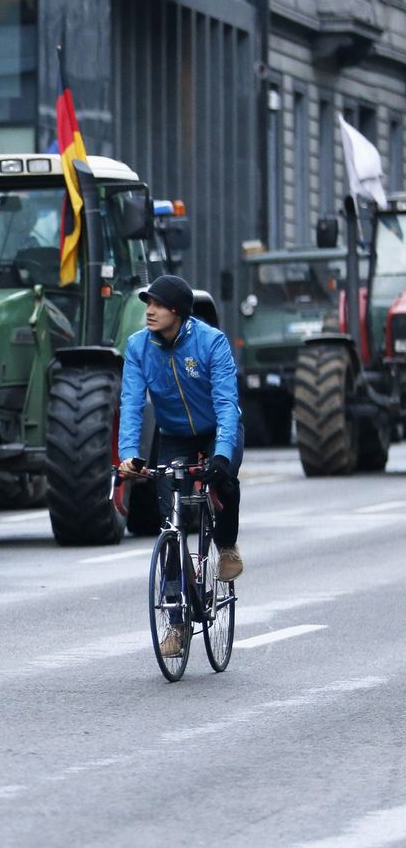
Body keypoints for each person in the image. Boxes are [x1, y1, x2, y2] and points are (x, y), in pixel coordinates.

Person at [117, 274, 244, 658]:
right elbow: (132, 404)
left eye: (156, 305)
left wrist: (221, 454)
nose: (149, 311)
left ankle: (225, 546)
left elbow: (226, 404)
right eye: (147, 304)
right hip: (174, 437)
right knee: (170, 526)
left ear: (177, 311)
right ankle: (176, 621)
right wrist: (128, 455)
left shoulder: (211, 342)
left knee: (225, 481)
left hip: (216, 430)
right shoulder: (138, 347)